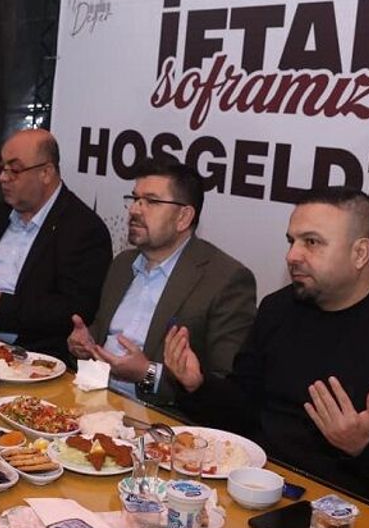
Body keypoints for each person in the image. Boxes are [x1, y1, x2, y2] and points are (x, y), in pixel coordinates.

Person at [165, 187, 369, 521]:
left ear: (360, 253)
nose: (292, 255)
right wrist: (199, 385)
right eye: (291, 241)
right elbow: (245, 408)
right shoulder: (278, 309)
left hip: (351, 521)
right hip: (259, 493)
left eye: (311, 242)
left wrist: (365, 447)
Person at [67, 157, 256, 405]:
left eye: (152, 202)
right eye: (135, 199)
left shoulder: (225, 280)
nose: (135, 210)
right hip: (94, 398)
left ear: (183, 217)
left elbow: (225, 388)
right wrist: (86, 344)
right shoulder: (123, 263)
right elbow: (104, 334)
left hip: (161, 417)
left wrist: (146, 374)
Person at [0, 128, 111, 363]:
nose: (3, 178)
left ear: (46, 172)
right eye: (1, 168)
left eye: (14, 170)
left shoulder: (83, 229)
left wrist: (0, 305)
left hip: (29, 357)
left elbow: (73, 311)